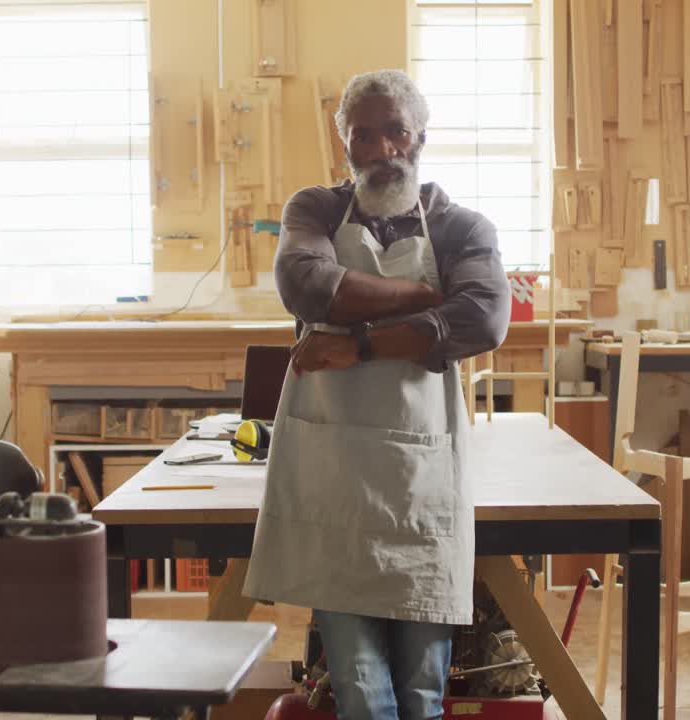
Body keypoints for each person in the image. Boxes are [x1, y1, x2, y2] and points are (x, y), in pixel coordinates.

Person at [242, 69, 511, 720]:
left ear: (421, 136)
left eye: (396, 130)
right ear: (346, 146)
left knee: (423, 689)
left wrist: (356, 344)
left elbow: (483, 321)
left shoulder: (459, 226)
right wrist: (426, 299)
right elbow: (308, 286)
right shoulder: (315, 209)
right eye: (365, 135)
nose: (384, 148)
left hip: (421, 475)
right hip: (333, 474)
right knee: (360, 686)